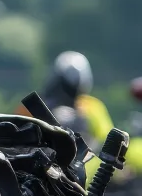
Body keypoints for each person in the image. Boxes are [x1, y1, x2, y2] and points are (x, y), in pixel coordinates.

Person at [15, 51, 116, 181]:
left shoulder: (92, 107)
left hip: (80, 177)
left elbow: (107, 142)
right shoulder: (34, 106)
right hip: (46, 175)